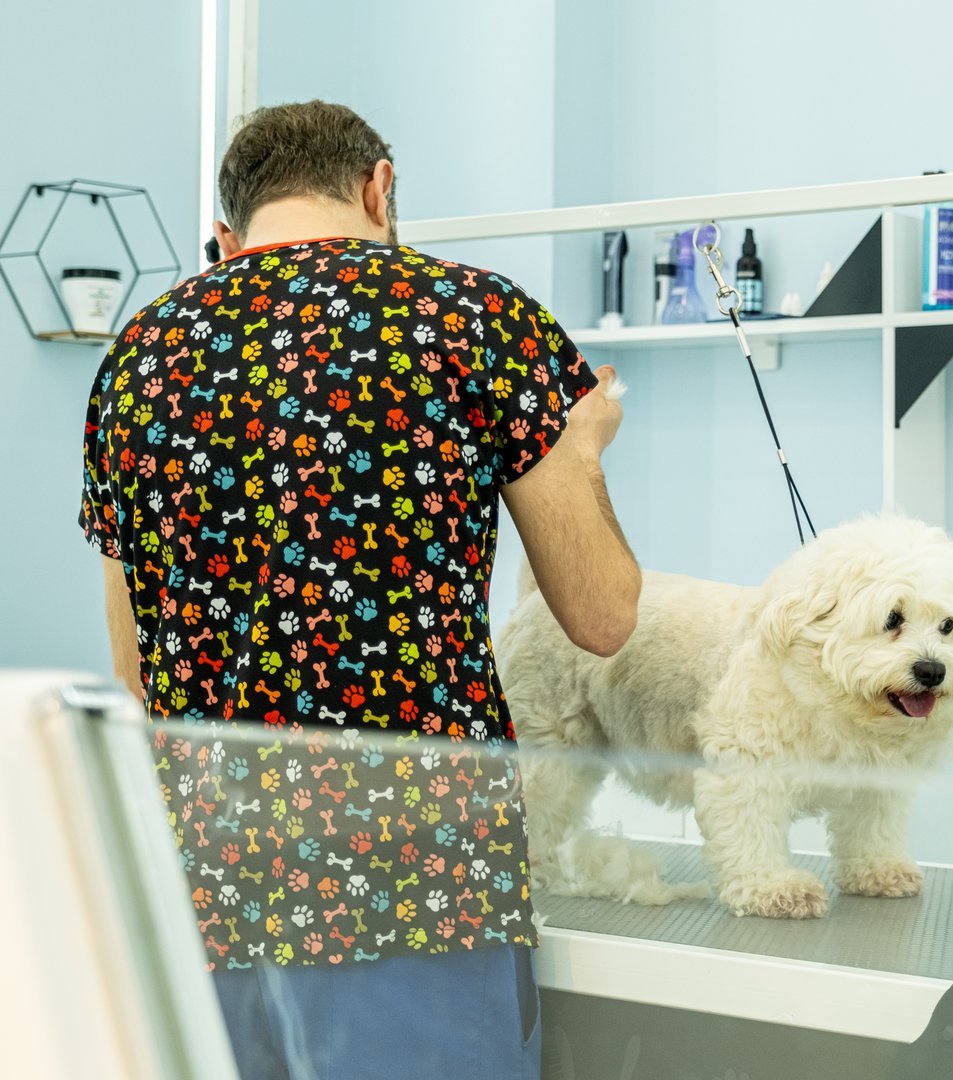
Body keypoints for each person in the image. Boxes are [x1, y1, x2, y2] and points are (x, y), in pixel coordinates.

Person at [78, 100, 640, 1079]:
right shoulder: (472, 317)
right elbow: (602, 615)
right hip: (413, 888)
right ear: (380, 187)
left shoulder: (138, 357)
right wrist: (582, 446)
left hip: (204, 895)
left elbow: (132, 675)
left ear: (227, 233)